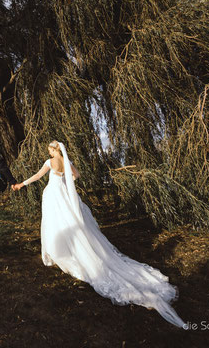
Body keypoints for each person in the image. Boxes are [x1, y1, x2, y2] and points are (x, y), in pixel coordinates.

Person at [12, 141, 186, 328]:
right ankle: (72, 247)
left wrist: (22, 184)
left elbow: (38, 176)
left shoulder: (50, 162)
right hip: (64, 195)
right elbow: (76, 175)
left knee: (56, 223)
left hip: (53, 196)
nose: (50, 152)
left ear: (54, 150)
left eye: (50, 150)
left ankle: (60, 250)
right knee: (72, 222)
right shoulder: (67, 161)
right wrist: (66, 183)